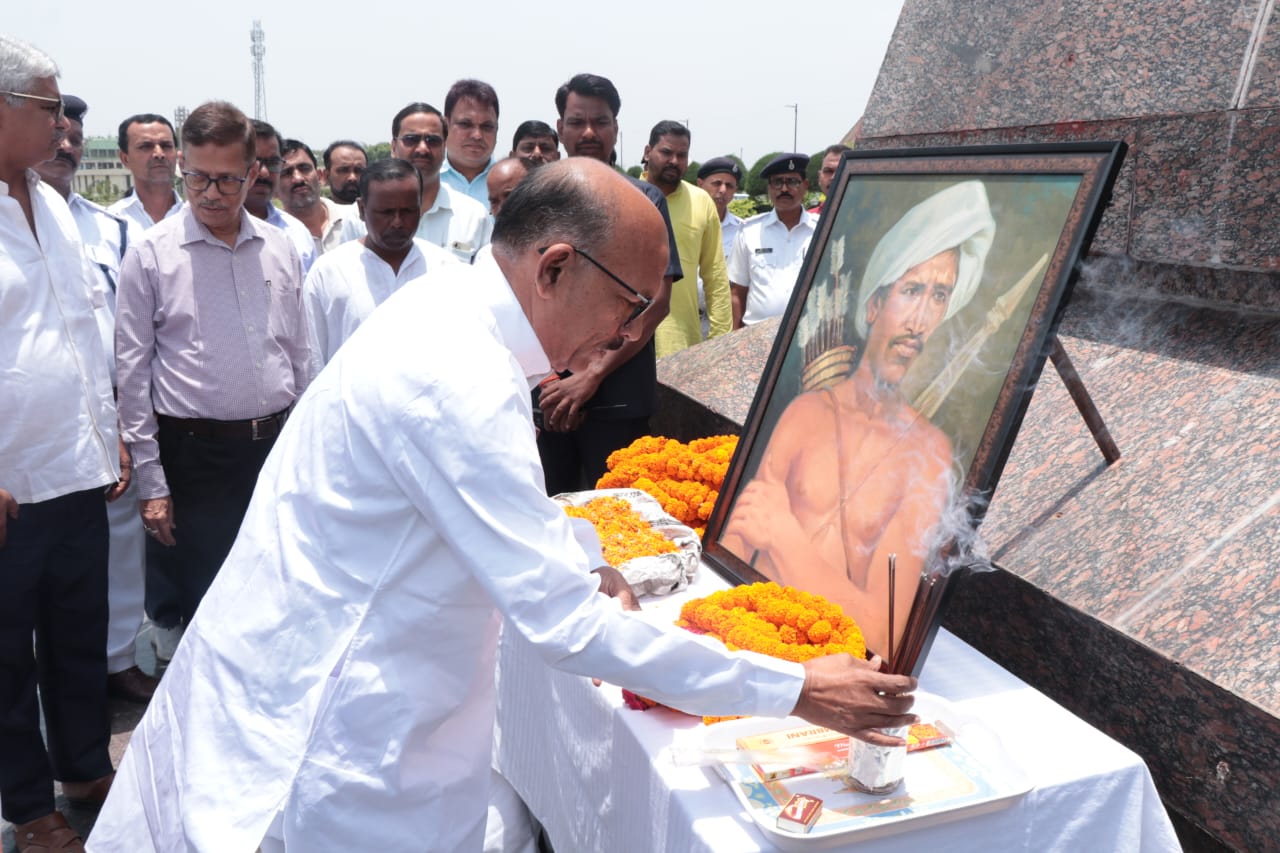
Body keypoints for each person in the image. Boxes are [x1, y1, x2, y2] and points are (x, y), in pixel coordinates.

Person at [88, 158, 917, 853]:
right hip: (330, 746)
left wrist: (584, 552)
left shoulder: (449, 313)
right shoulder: (461, 375)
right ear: (555, 268)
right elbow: (568, 627)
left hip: (318, 698)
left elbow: (488, 506)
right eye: (630, 305)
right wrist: (796, 686)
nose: (627, 335)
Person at [722, 181, 996, 657]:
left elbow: (884, 634)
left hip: (832, 661)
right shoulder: (805, 414)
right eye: (912, 290)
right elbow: (733, 550)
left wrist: (784, 538)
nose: (920, 320)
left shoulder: (927, 452)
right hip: (749, 639)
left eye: (939, 296)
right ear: (873, 305)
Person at [114, 100, 310, 664]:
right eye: (197, 177)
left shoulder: (279, 246)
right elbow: (132, 375)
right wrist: (153, 485)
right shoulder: (150, 256)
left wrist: (304, 449)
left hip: (272, 451)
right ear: (183, 167)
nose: (210, 194)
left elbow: (301, 353)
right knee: (208, 613)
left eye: (227, 179)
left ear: (253, 172)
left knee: (276, 598)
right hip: (194, 460)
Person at [0, 36, 124, 852]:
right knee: (7, 653)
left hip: (78, 467)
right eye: (48, 107)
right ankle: (27, 805)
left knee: (78, 634)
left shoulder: (52, 204)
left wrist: (109, 437)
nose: (64, 124)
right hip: (11, 480)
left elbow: (82, 330)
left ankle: (82, 766)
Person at [32, 93, 158, 706]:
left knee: (120, 536)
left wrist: (129, 414)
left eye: (75, 138)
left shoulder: (112, 228)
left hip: (108, 404)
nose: (65, 146)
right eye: (56, 133)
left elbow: (135, 327)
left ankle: (116, 661)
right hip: (32, 411)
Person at [536, 72, 683, 494]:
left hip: (619, 396)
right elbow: (526, 297)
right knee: (546, 511)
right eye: (577, 121)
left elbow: (658, 301)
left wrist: (590, 375)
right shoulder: (538, 200)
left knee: (619, 515)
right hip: (547, 398)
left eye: (600, 121)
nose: (588, 132)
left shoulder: (645, 201)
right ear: (560, 127)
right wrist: (552, 382)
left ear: (616, 127)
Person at [303, 157, 459, 373]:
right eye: (385, 212)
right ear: (361, 209)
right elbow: (313, 360)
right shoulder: (329, 272)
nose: (397, 222)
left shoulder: (446, 269)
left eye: (408, 211)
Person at [340, 102, 490, 262]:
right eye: (411, 139)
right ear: (393, 147)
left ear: (444, 147)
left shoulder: (473, 216)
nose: (423, 148)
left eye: (433, 140)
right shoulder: (358, 216)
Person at [641, 120, 732, 355]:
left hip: (681, 343)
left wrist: (720, 342)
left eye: (682, 155)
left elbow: (715, 276)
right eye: (666, 152)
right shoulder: (625, 195)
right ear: (648, 152)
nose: (674, 161)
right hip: (626, 343)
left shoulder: (701, 202)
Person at [728, 152, 817, 328]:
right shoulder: (749, 231)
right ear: (769, 188)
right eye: (777, 182)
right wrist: (735, 337)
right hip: (756, 333)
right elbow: (737, 293)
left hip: (808, 332)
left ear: (805, 185)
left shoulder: (821, 229)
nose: (784, 189)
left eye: (792, 181)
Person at [245, 120, 316, 272]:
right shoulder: (207, 228)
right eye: (254, 163)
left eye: (273, 163)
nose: (264, 172)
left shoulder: (296, 232)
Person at [278, 139, 358, 255]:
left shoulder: (356, 217)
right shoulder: (274, 236)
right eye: (286, 173)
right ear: (274, 186)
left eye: (304, 168)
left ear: (320, 176)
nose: (298, 178)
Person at [695, 156, 745, 336]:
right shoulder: (684, 225)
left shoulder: (742, 230)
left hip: (724, 324)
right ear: (700, 184)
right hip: (686, 320)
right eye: (716, 183)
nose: (723, 190)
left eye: (729, 185)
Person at [107, 113, 181, 231]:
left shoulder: (197, 218)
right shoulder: (110, 221)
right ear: (125, 159)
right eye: (146, 146)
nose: (159, 154)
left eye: (166, 146)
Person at [441, 79, 500, 205]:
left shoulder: (513, 186)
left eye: (486, 126)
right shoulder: (425, 182)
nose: (477, 135)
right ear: (445, 125)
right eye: (465, 124)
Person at [320, 139, 366, 204]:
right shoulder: (316, 209)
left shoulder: (378, 208)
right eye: (344, 170)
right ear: (327, 176)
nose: (352, 177)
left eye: (358, 170)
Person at [810, 143, 852, 214]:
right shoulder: (808, 218)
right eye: (828, 171)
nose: (833, 177)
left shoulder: (870, 216)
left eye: (841, 170)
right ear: (819, 177)